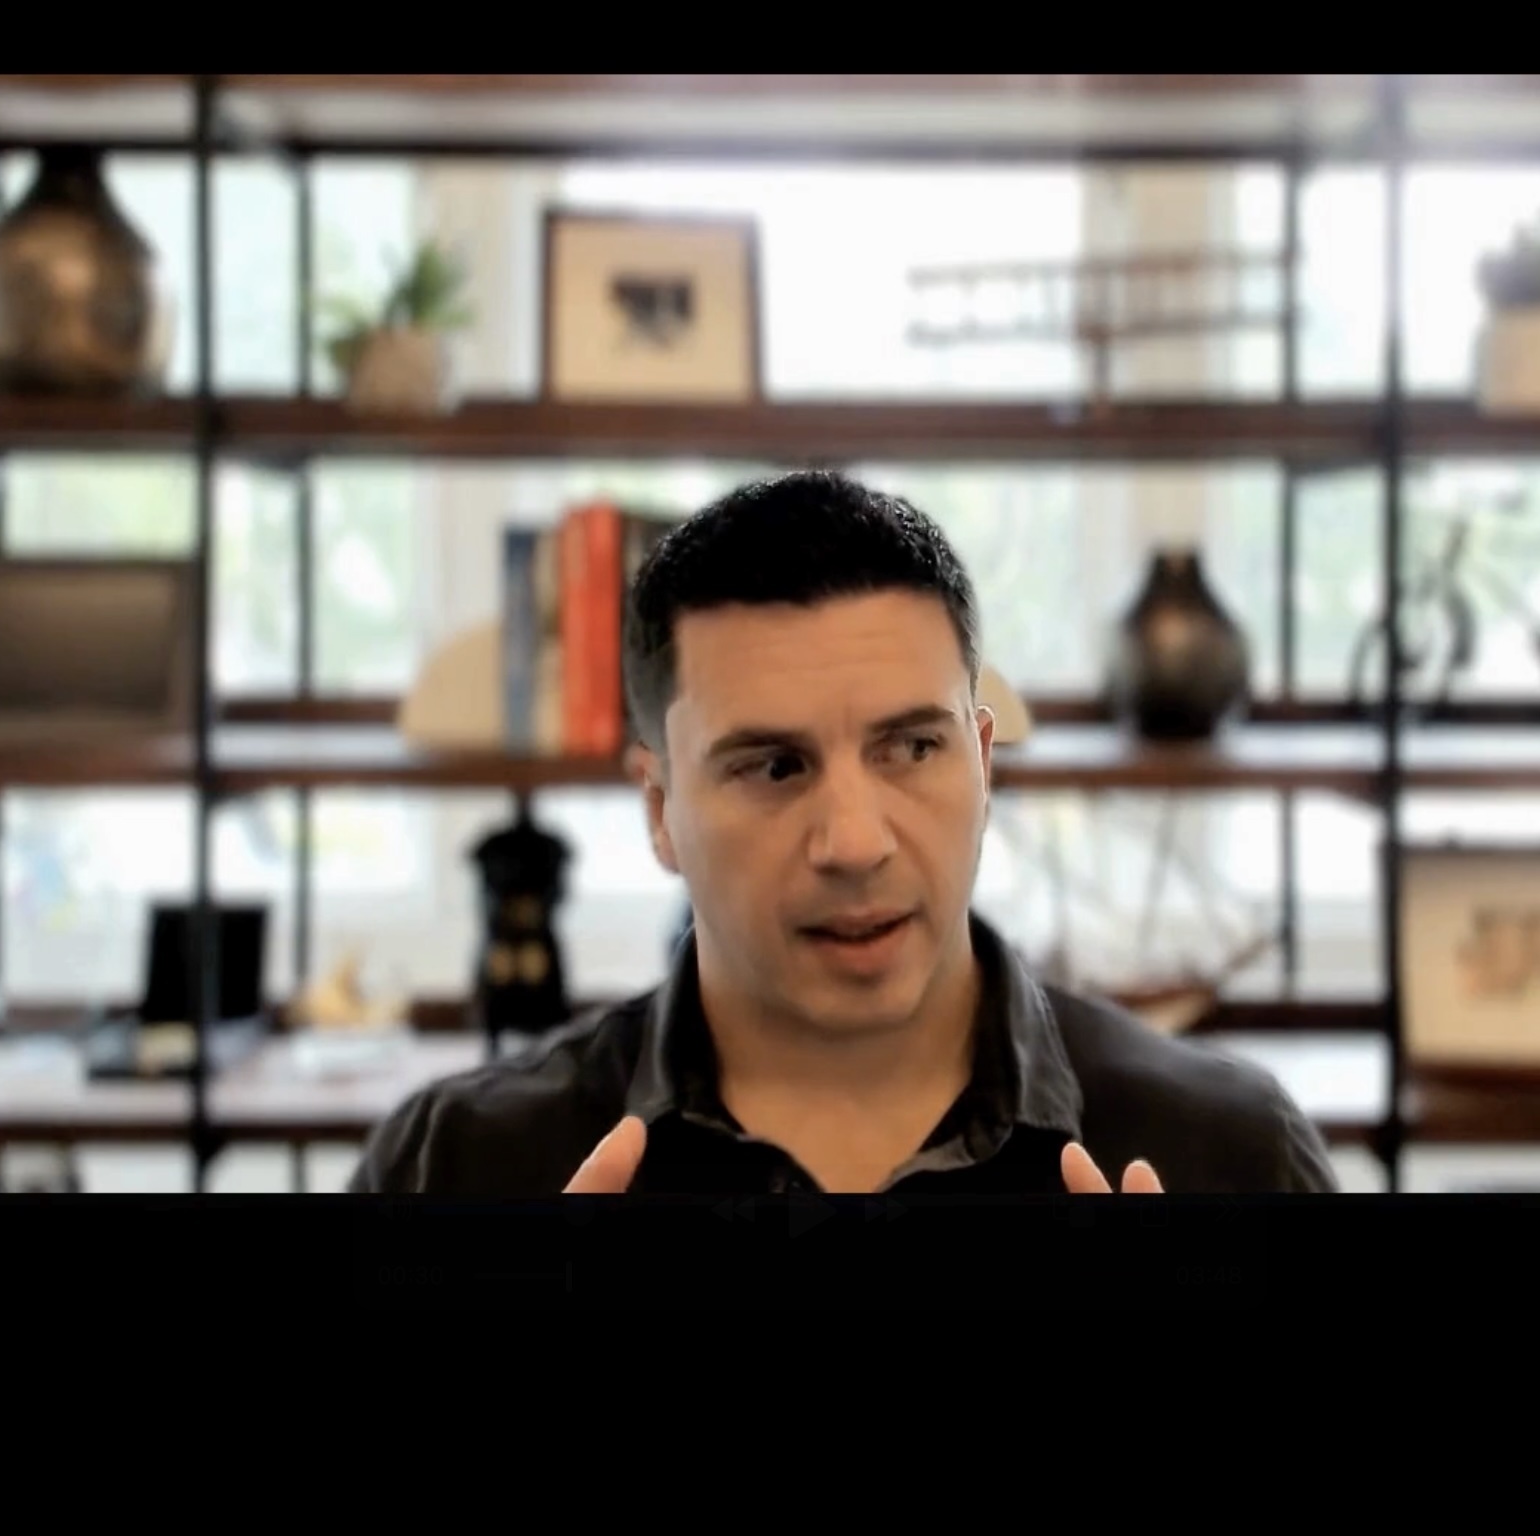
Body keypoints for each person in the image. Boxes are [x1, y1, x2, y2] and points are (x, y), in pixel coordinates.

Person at [347, 472, 1338, 1195]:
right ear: (659, 810)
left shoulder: (1232, 1153)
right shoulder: (452, 1164)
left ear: (981, 763)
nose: (855, 843)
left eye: (911, 748)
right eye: (774, 767)